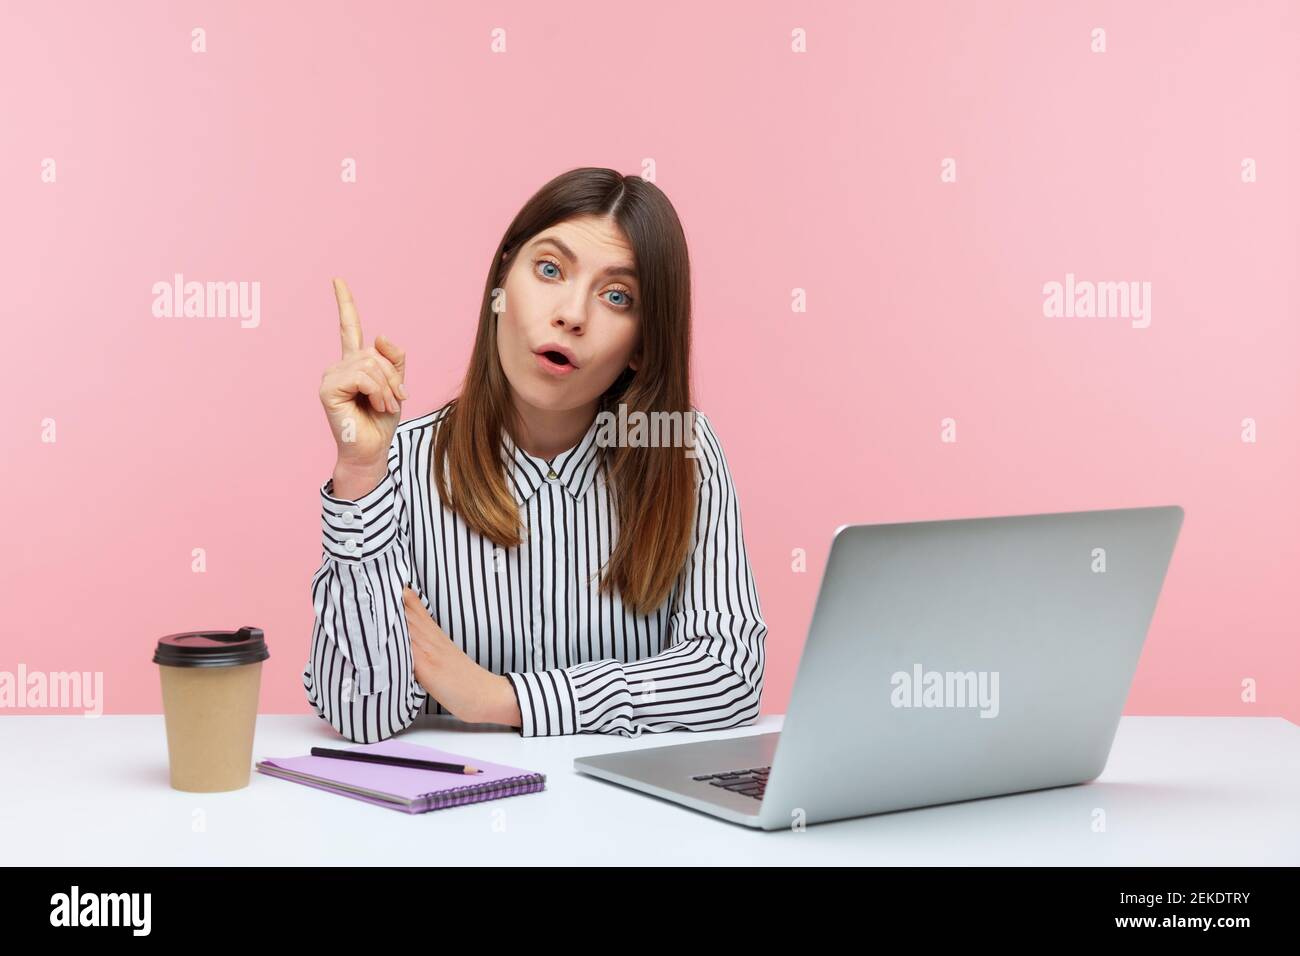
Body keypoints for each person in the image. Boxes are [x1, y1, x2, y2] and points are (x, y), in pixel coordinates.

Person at [304, 167, 767, 743]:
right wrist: (359, 475)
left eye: (617, 296)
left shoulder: (681, 451)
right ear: (501, 284)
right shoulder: (398, 464)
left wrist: (503, 698)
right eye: (550, 270)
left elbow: (728, 676)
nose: (572, 314)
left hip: (631, 825)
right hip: (453, 820)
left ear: (642, 349)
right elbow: (361, 713)